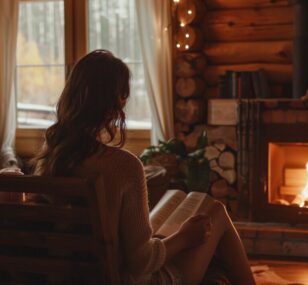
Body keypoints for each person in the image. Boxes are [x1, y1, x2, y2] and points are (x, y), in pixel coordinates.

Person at [33, 50, 255, 285]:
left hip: (76, 275)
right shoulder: (123, 166)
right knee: (217, 211)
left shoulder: (52, 155)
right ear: (114, 102)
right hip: (132, 279)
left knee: (177, 197)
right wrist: (184, 238)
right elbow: (141, 262)